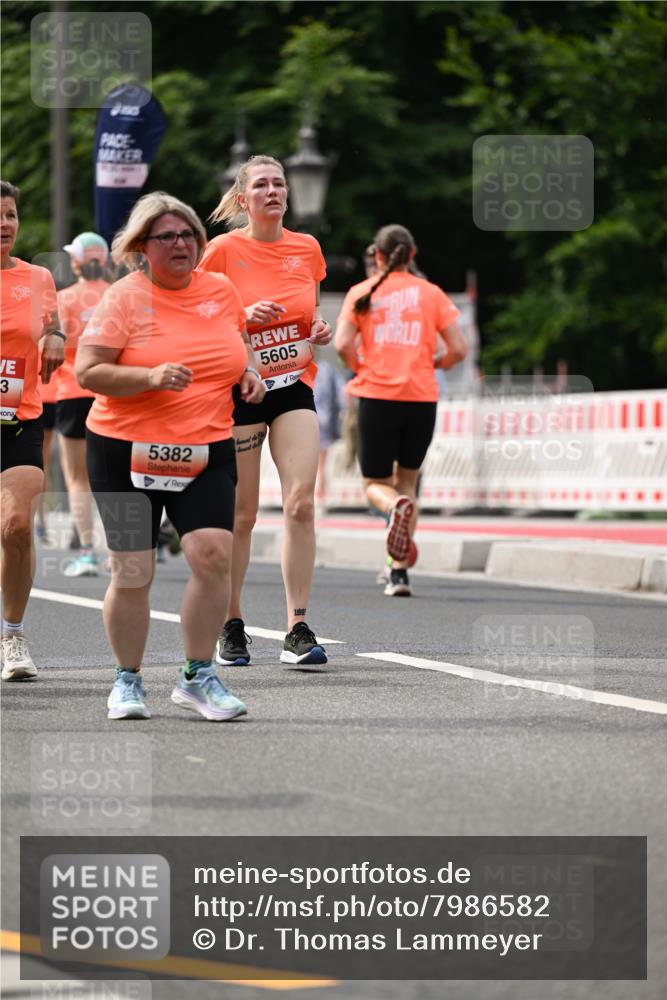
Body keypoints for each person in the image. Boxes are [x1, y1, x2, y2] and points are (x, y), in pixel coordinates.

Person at [75, 191, 265, 720]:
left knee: (213, 556)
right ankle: (127, 680)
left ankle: (198, 676)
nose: (181, 244)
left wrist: (247, 373)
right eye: (167, 237)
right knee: (133, 571)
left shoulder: (221, 290)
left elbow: (237, 342)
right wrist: (148, 377)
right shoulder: (124, 298)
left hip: (205, 446)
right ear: (141, 246)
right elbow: (87, 371)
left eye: (188, 235)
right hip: (122, 448)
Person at [200, 154, 332, 667]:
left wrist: (319, 328)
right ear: (242, 199)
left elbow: (311, 310)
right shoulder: (223, 251)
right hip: (242, 390)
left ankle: (297, 626)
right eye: (262, 185)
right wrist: (239, 313)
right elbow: (197, 312)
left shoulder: (307, 248)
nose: (273, 191)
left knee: (301, 502)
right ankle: (231, 622)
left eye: (279, 184)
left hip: (293, 384)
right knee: (243, 512)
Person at [335, 224, 467, 597]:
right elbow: (459, 350)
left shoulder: (361, 293)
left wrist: (362, 366)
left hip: (376, 396)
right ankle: (398, 573)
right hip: (421, 398)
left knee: (376, 485)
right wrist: (434, 364)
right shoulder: (432, 294)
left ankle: (394, 509)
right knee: (408, 480)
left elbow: (343, 343)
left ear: (376, 255)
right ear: (412, 255)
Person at [1, 180, 65, 679]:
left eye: (10, 215)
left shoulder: (39, 277)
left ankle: (13, 635)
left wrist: (57, 338)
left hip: (19, 419)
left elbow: (51, 323)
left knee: (18, 527)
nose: (5, 225)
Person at [57, 232, 112, 576]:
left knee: (77, 478)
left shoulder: (63, 298)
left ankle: (88, 552)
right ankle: (127, 549)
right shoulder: (119, 295)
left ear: (77, 261)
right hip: (112, 390)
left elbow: (51, 345)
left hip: (73, 390)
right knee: (114, 474)